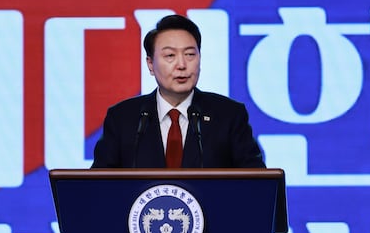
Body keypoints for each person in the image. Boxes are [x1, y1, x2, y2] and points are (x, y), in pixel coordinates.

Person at [92, 14, 265, 168]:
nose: (182, 65)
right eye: (170, 56)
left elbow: (257, 182)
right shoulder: (122, 118)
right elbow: (98, 185)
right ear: (150, 64)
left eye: (190, 54)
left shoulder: (229, 116)